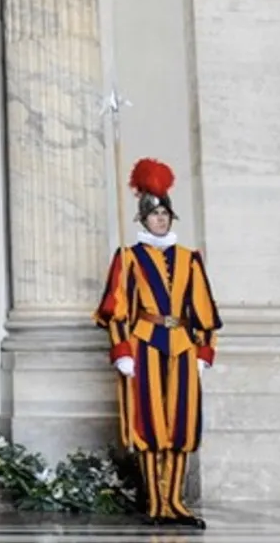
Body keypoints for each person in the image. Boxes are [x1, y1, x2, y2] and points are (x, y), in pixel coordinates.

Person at [94, 158, 222, 529]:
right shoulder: (129, 259)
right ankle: (156, 502)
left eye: (165, 214)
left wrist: (203, 352)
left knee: (181, 425)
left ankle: (176, 502)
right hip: (145, 345)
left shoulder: (189, 260)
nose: (160, 219)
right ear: (143, 220)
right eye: (154, 215)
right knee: (149, 424)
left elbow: (205, 311)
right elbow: (116, 311)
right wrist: (122, 352)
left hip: (182, 346)